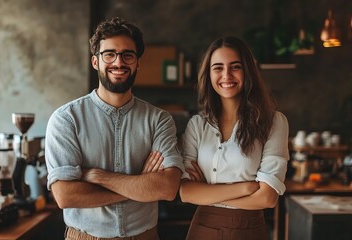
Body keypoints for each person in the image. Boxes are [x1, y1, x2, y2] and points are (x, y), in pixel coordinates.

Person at [45, 17, 184, 240]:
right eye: (109, 54)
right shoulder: (66, 119)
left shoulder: (159, 119)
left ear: (137, 62)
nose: (118, 63)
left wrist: (99, 177)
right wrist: (139, 184)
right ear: (95, 62)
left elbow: (167, 188)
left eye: (127, 55)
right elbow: (66, 195)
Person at [179, 36, 290, 240]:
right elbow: (186, 193)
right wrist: (246, 188)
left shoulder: (273, 122)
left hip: (249, 230)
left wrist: (208, 193)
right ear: (209, 74)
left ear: (248, 71)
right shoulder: (197, 125)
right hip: (203, 229)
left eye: (235, 67)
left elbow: (267, 198)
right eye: (218, 68)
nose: (226, 75)